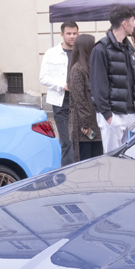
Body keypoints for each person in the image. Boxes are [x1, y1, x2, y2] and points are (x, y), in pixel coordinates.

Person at [88, 4, 135, 153]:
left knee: (131, 157)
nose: (134, 25)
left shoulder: (129, 48)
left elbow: (134, 81)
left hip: (132, 113)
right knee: (112, 160)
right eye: (132, 21)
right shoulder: (100, 49)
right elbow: (97, 84)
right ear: (124, 24)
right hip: (114, 116)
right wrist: (108, 115)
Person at [39, 20, 78, 165]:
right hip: (61, 103)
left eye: (74, 33)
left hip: (79, 104)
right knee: (67, 141)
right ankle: (68, 173)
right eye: (68, 33)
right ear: (62, 34)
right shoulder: (52, 53)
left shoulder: (80, 52)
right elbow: (43, 77)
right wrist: (62, 86)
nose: (72, 36)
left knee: (78, 142)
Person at [67, 33, 100, 161]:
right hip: (84, 128)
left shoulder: (92, 67)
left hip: (94, 125)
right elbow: (79, 99)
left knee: (96, 160)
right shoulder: (77, 69)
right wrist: (86, 124)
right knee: (85, 161)